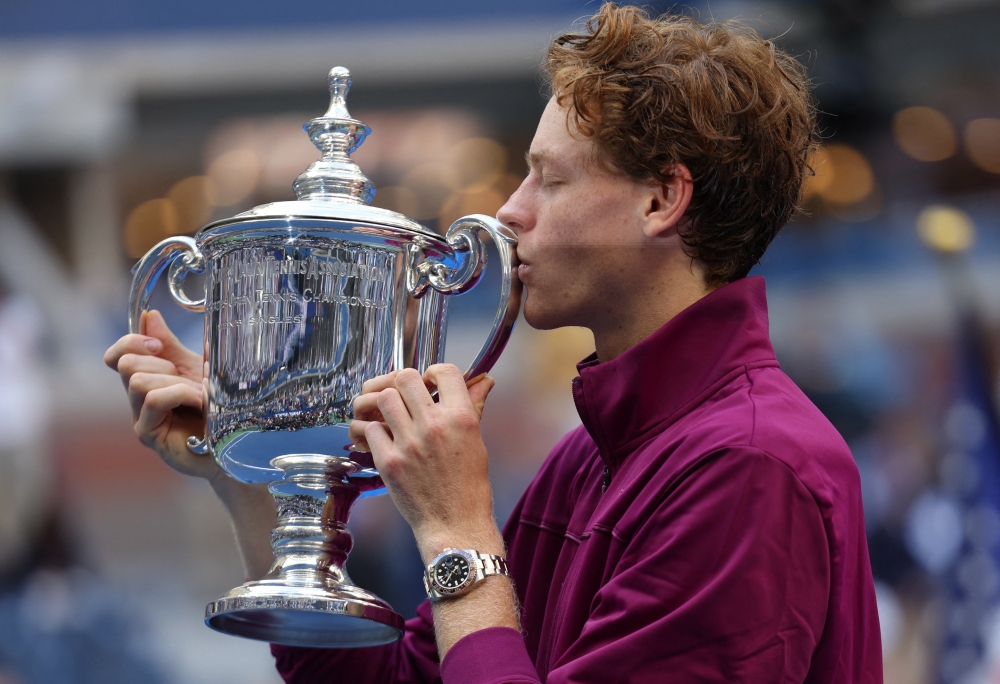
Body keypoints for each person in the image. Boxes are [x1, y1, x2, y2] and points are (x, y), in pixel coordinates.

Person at [104, 4, 883, 682]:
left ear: (661, 199)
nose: (508, 213)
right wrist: (244, 466)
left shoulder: (748, 467)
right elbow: (395, 679)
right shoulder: (594, 457)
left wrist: (457, 532)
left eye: (549, 179)